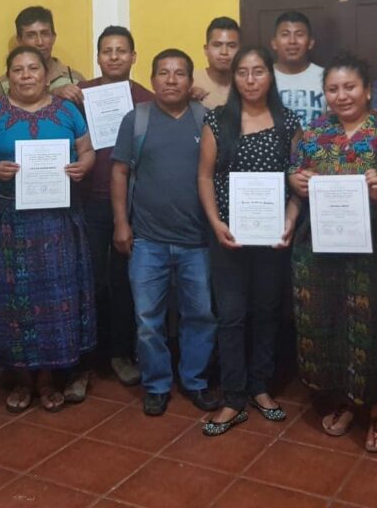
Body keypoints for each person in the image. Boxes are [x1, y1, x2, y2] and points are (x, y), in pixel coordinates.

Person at [288, 53, 377, 452]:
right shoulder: (313, 133)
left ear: (367, 90)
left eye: (350, 87)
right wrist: (296, 181)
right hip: (320, 253)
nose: (342, 95)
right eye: (333, 89)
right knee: (328, 328)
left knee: (376, 333)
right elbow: (296, 180)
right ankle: (347, 402)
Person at [0, 46, 97, 414]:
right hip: (9, 221)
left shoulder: (68, 111)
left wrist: (83, 167)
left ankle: (48, 379)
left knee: (57, 299)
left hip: (59, 220)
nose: (26, 76)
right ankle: (21, 378)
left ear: (46, 73)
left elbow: (87, 151)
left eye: (33, 69)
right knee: (13, 299)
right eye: (18, 70)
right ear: (7, 76)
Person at [197, 46, 302, 435]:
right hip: (229, 237)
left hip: (273, 238)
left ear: (270, 76)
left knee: (267, 312)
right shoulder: (217, 120)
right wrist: (215, 223)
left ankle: (260, 388)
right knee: (231, 315)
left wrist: (291, 218)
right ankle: (233, 397)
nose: (251, 79)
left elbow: (299, 177)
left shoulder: (288, 121)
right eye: (243, 72)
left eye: (259, 71)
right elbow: (205, 177)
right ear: (234, 77)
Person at [111, 49, 220, 416]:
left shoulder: (206, 120)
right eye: (163, 73)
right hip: (147, 240)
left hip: (198, 242)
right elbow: (120, 172)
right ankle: (156, 384)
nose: (171, 80)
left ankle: (195, 381)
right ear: (153, 78)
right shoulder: (136, 119)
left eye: (179, 74)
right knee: (147, 319)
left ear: (191, 82)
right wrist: (121, 224)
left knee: (201, 315)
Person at [78, 26, 154, 387]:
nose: (113, 57)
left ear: (133, 57)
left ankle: (121, 352)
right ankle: (86, 358)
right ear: (98, 57)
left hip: (133, 205)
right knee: (89, 279)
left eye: (121, 50)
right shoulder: (79, 96)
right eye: (106, 50)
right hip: (90, 202)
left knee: (126, 281)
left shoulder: (147, 100)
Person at [0, 6, 86, 103]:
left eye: (45, 34)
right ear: (19, 40)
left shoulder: (74, 79)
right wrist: (53, 95)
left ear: (53, 37)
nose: (40, 42)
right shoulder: (4, 84)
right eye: (31, 35)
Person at [271, 11, 326, 127]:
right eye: (285, 34)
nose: (292, 41)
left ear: (310, 43)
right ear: (274, 43)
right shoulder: (262, 77)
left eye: (299, 34)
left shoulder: (326, 77)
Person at [191, 16, 240, 109]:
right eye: (217, 45)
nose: (224, 52)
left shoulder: (248, 83)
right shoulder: (190, 81)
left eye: (231, 46)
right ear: (206, 50)